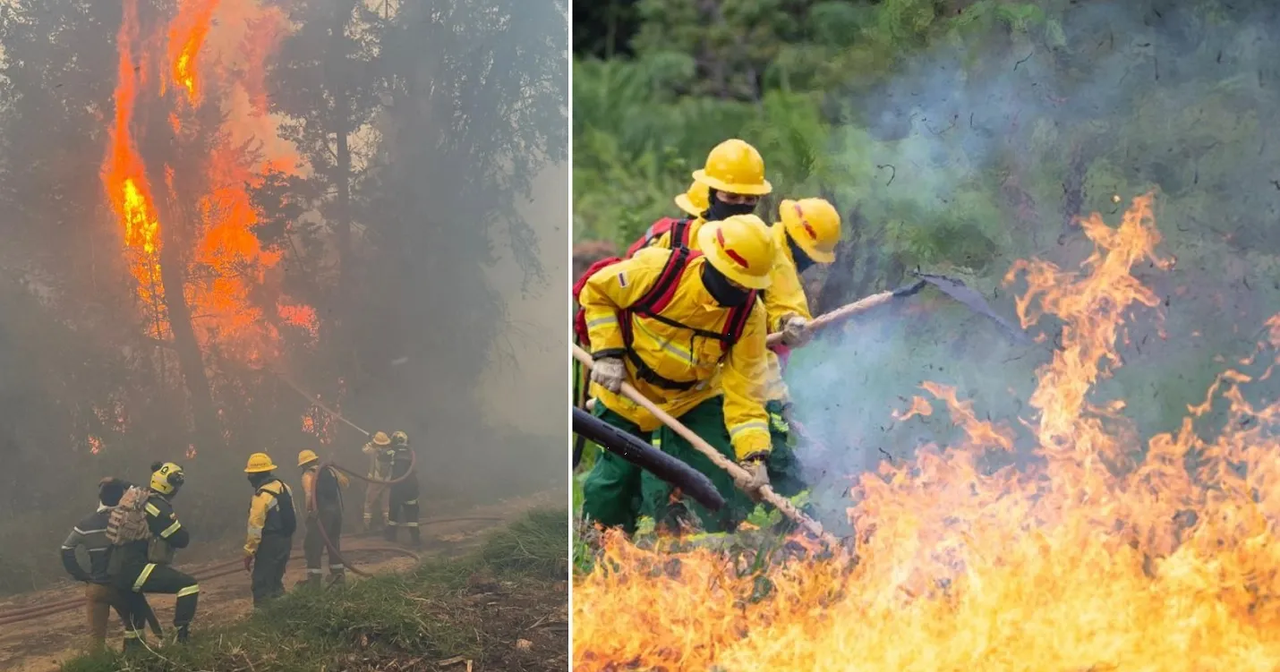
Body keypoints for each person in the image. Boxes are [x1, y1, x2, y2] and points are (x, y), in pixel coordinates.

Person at [577, 214, 777, 533]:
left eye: (749, 284)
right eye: (733, 279)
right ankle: (599, 545)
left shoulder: (749, 316)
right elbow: (596, 292)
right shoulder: (657, 270)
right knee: (614, 481)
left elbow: (747, 393)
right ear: (712, 260)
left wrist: (754, 457)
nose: (741, 290)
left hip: (692, 399)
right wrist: (607, 353)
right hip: (624, 388)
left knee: (714, 476)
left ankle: (710, 550)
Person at [757, 198, 843, 502]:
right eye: (809, 255)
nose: (810, 263)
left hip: (758, 366)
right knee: (771, 436)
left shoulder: (770, 244)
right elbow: (785, 304)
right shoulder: (775, 254)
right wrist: (791, 321)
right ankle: (794, 511)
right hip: (750, 369)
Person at [110, 462, 198, 645]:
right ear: (171, 485)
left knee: (135, 626)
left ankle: (133, 657)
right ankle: (181, 639)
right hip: (135, 570)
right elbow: (180, 539)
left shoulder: (140, 498)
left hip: (116, 571)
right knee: (189, 585)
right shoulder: (158, 507)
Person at [61, 478, 141, 653]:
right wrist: (120, 481)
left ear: (100, 497)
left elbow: (66, 549)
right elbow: (141, 491)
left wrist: (82, 575)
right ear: (121, 496)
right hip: (122, 586)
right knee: (134, 625)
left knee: (96, 638)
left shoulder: (85, 523)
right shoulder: (127, 520)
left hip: (96, 587)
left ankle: (97, 666)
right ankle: (133, 659)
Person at [242, 453, 297, 607]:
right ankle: (281, 613)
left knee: (261, 583)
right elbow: (293, 513)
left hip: (269, 543)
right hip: (286, 540)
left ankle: (262, 620)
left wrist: (249, 552)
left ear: (255, 475)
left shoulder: (261, 496)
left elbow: (255, 527)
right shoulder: (285, 487)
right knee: (276, 579)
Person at [297, 449, 349, 587]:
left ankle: (314, 580)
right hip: (337, 512)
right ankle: (338, 575)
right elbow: (345, 483)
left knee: (313, 545)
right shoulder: (330, 470)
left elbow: (309, 495)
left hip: (321, 514)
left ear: (303, 464)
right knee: (333, 543)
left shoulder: (308, 475)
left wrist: (309, 510)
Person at [384, 431, 421, 547]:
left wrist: (380, 446)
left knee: (394, 510)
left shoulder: (392, 451)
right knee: (412, 512)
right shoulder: (411, 452)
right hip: (412, 486)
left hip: (398, 485)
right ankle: (416, 539)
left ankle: (391, 536)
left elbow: (381, 457)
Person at [361, 431, 394, 532]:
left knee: (369, 502)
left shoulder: (374, 450)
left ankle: (366, 525)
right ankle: (387, 524)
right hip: (388, 481)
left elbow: (364, 449)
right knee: (386, 503)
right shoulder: (391, 451)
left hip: (374, 480)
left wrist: (372, 442)